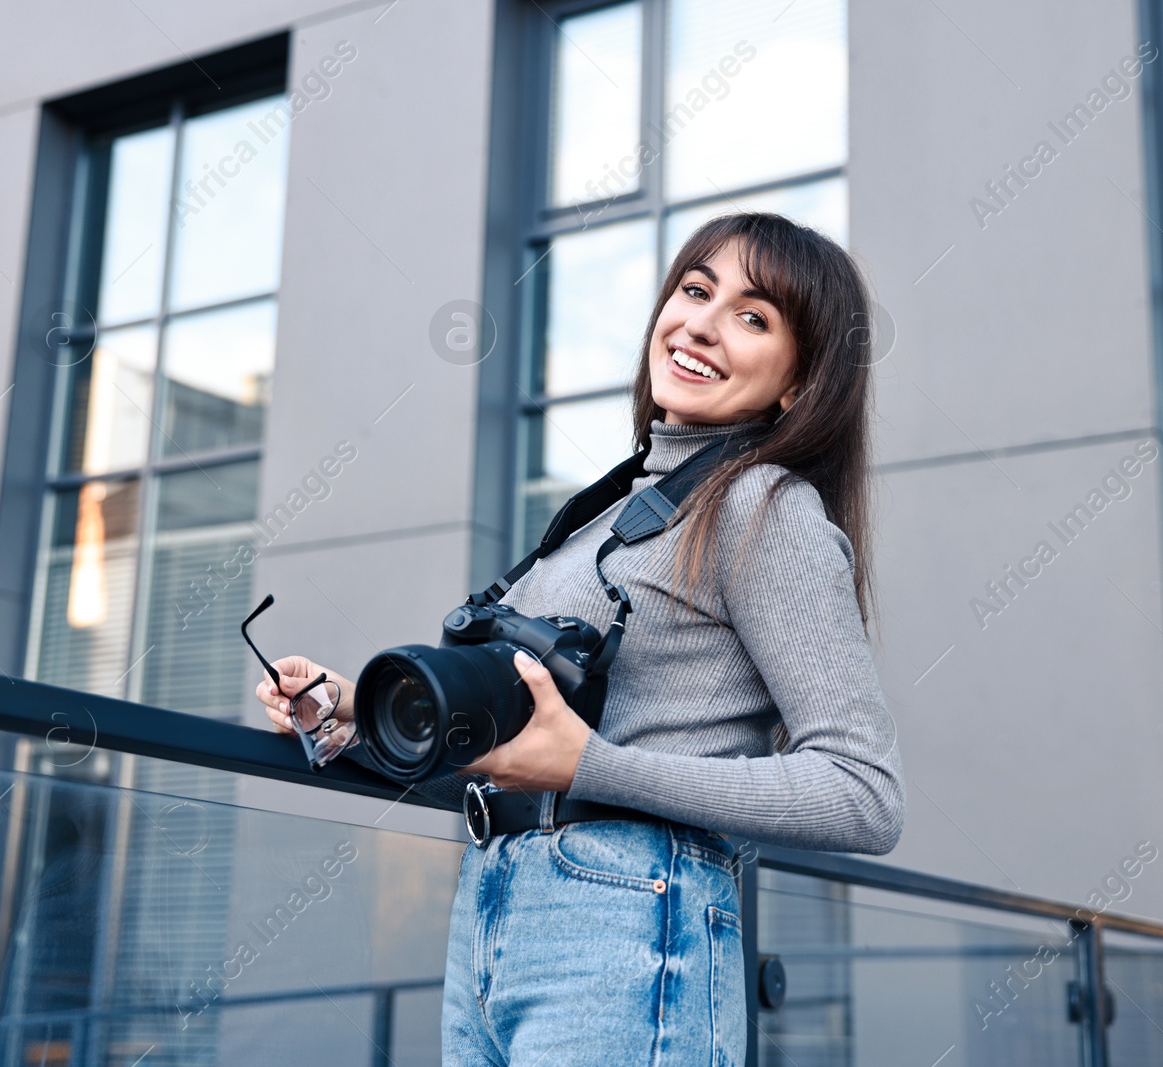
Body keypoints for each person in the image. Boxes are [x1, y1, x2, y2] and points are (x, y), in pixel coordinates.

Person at [254, 212, 903, 1065]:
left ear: (797, 384)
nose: (702, 322)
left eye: (754, 316)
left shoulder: (762, 507)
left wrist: (590, 765)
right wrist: (344, 709)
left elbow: (864, 792)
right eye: (696, 290)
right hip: (493, 904)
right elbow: (516, 744)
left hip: (632, 916)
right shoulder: (600, 513)